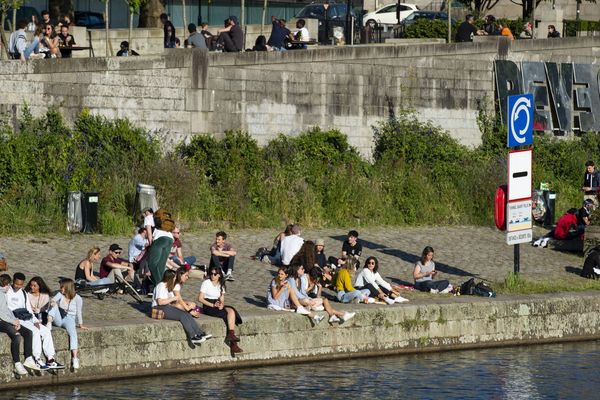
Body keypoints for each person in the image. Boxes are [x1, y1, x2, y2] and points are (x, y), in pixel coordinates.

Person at [6, 272, 64, 369]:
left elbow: (28, 309)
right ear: (13, 281)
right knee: (35, 331)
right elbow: (5, 308)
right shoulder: (7, 292)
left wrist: (35, 320)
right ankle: (36, 358)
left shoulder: (23, 293)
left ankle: (50, 359)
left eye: (21, 284)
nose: (18, 286)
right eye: (16, 284)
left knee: (45, 331)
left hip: (26, 317)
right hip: (16, 319)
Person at [152, 270, 211, 345]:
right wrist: (173, 298)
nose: (175, 279)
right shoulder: (161, 285)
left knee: (186, 314)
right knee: (182, 315)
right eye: (174, 278)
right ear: (170, 278)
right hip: (158, 308)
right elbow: (160, 302)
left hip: (166, 307)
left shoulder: (168, 287)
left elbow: (171, 301)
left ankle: (200, 333)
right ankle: (193, 336)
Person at [197, 265, 243, 356]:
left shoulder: (221, 285)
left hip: (217, 304)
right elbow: (200, 299)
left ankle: (231, 335)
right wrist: (212, 305)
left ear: (219, 275)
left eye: (215, 274)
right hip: (208, 305)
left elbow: (222, 298)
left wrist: (221, 304)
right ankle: (233, 343)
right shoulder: (206, 283)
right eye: (211, 273)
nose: (212, 276)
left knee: (231, 311)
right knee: (227, 316)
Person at [47, 279, 88, 369]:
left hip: (69, 318)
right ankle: (49, 322)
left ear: (67, 288)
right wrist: (53, 302)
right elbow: (52, 300)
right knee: (54, 305)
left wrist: (80, 324)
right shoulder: (60, 295)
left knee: (73, 333)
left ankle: (75, 358)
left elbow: (79, 312)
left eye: (62, 287)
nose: (61, 289)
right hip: (58, 317)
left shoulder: (78, 298)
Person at [0, 274, 36, 375]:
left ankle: (28, 358)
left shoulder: (3, 293)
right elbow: (1, 313)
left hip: (6, 320)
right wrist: (12, 322)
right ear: (6, 285)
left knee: (28, 332)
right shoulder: (0, 294)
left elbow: (7, 310)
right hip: (1, 322)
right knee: (16, 336)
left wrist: (15, 320)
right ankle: (17, 363)